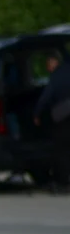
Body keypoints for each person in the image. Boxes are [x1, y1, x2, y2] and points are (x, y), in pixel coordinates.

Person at [33, 51, 70, 194]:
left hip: (63, 118)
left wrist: (37, 114)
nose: (47, 67)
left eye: (48, 64)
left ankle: (61, 183)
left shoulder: (56, 77)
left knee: (61, 151)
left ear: (54, 62)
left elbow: (46, 97)